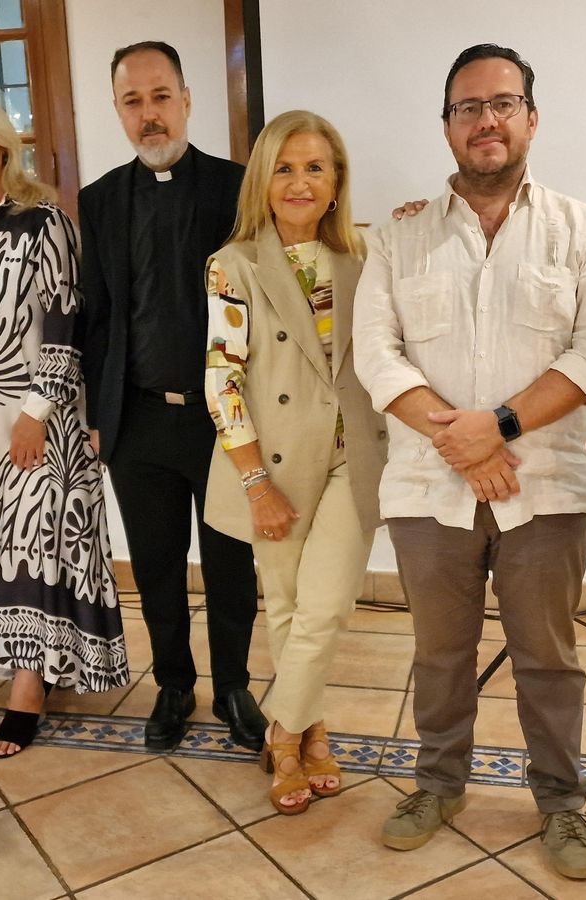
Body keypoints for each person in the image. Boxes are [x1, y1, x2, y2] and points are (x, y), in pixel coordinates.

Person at [353, 44, 586, 877]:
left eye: (503, 103)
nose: (486, 120)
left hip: (544, 485)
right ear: (447, 126)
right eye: (468, 107)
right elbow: (377, 355)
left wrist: (497, 427)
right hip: (428, 486)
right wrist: (464, 445)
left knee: (549, 658)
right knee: (439, 654)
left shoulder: (583, 230)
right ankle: (438, 784)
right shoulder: (398, 235)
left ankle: (562, 802)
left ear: (531, 119)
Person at [0, 84, 126, 759]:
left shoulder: (44, 220)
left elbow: (66, 323)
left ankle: (29, 689)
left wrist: (37, 413)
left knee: (36, 545)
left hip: (36, 414)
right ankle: (23, 666)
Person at [78, 40, 265, 752]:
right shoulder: (99, 200)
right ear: (118, 110)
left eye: (161, 97)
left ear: (186, 100)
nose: (149, 114)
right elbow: (96, 317)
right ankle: (174, 685)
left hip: (225, 423)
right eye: (133, 101)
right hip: (138, 420)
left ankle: (235, 686)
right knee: (155, 567)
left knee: (229, 567)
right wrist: (98, 413)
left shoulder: (237, 188)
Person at [202, 110, 387, 814]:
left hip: (352, 454)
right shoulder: (234, 265)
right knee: (285, 607)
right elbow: (222, 380)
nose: (299, 182)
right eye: (284, 168)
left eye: (315, 167)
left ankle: (278, 731)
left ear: (337, 181)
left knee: (326, 606)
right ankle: (309, 734)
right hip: (272, 462)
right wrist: (256, 485)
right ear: (263, 180)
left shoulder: (366, 256)